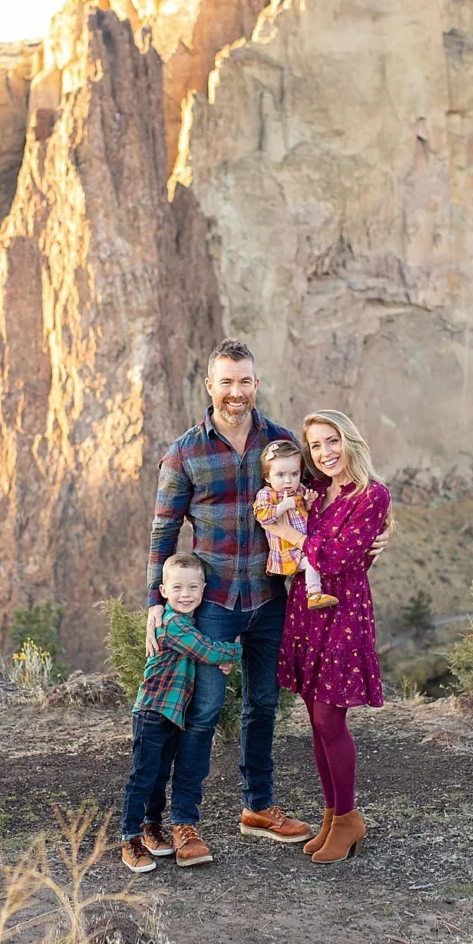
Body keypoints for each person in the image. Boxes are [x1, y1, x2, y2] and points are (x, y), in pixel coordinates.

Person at [145, 339, 316, 857]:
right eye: (226, 382)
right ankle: (183, 823)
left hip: (269, 598)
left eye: (245, 381)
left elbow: (320, 505)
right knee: (203, 709)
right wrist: (156, 599)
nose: (236, 392)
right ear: (210, 386)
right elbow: (164, 529)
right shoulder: (185, 452)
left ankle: (258, 806)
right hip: (213, 601)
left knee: (262, 704)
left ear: (256, 384)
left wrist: (374, 527)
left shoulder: (282, 444)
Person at [276, 411, 391, 865]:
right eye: (316, 446)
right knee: (316, 721)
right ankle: (331, 815)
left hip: (343, 611)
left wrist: (289, 535)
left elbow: (341, 557)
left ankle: (348, 817)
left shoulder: (372, 495)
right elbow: (278, 473)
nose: (325, 453)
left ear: (350, 441)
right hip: (307, 610)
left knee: (330, 720)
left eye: (332, 441)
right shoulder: (318, 490)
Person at [120, 552, 240, 875]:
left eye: (192, 588)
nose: (185, 595)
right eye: (177, 588)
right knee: (143, 776)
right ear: (162, 591)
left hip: (172, 716)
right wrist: (232, 652)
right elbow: (205, 649)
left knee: (159, 776)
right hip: (151, 712)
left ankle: (151, 827)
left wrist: (219, 657)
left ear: (203, 589)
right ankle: (129, 838)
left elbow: (202, 648)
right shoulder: (172, 625)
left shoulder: (188, 622)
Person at [252, 443, 330, 611]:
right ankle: (314, 594)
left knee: (315, 558)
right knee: (312, 561)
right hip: (286, 553)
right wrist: (282, 507)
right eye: (280, 475)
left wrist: (308, 502)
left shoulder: (299, 490)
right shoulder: (267, 494)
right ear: (267, 476)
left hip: (301, 546)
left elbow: (304, 515)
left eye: (294, 474)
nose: (288, 481)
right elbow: (262, 516)